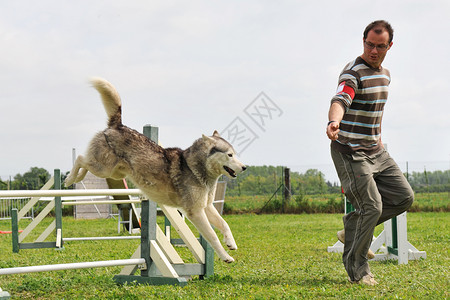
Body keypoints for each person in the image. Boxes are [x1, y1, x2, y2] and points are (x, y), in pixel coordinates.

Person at [326, 20, 414, 286]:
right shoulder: (353, 73)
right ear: (363, 41)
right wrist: (333, 121)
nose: (373, 51)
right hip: (350, 152)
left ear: (389, 46)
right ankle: (359, 270)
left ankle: (352, 228)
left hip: (377, 150)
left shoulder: (385, 74)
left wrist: (377, 139)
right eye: (369, 45)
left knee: (403, 197)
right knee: (372, 206)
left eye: (380, 46)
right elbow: (341, 99)